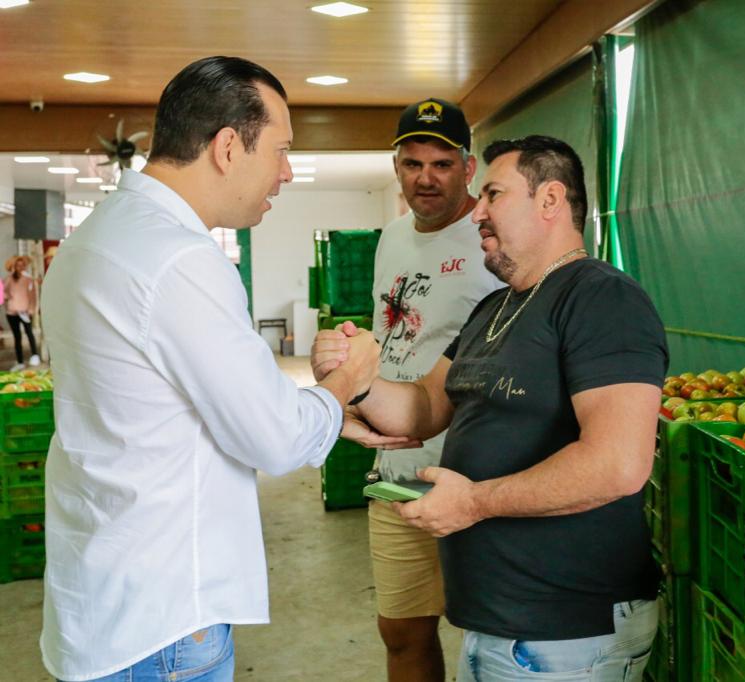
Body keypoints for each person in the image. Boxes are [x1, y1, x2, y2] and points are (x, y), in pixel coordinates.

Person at [39, 56, 381, 682]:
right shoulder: (181, 259)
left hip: (105, 602)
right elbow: (276, 439)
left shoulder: (95, 238)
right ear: (227, 147)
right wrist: (346, 380)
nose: (286, 172)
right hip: (163, 623)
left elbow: (179, 404)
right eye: (281, 151)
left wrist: (326, 415)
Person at [316, 135, 667, 680]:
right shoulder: (493, 308)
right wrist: (356, 379)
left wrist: (474, 503)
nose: (477, 212)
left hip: (565, 629)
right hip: (500, 623)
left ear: (550, 200)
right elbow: (423, 407)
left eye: (493, 195)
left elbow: (618, 464)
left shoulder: (601, 298)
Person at [352, 98, 502, 681]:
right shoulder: (391, 237)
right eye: (413, 163)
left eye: (442, 164)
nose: (426, 178)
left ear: (468, 168)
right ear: (397, 168)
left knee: (489, 638)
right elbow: (388, 336)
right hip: (397, 473)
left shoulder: (494, 240)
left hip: (475, 476)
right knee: (402, 631)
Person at [4, 255, 40, 370]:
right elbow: (3, 293)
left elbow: (33, 296)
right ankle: (20, 361)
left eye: (22, 265)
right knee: (17, 337)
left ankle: (35, 355)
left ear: (25, 266)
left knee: (29, 333)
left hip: (25, 312)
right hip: (12, 313)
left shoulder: (28, 280)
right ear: (14, 266)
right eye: (18, 265)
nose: (20, 267)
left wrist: (31, 309)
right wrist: (7, 298)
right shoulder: (8, 279)